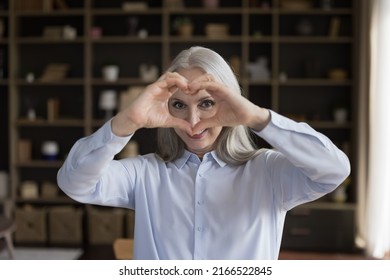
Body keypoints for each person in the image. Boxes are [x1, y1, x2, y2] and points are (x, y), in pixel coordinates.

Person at [57, 46, 350, 260]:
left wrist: (258, 118)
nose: (193, 121)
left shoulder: (268, 171)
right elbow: (74, 183)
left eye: (207, 103)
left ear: (231, 103)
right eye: (179, 105)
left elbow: (334, 170)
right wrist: (127, 121)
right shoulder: (144, 173)